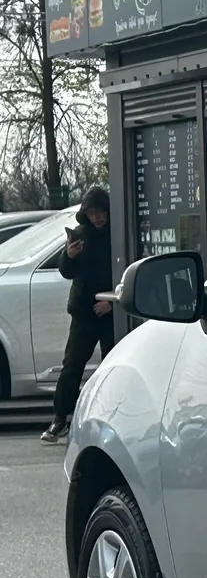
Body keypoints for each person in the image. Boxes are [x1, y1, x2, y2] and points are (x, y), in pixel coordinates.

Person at [41, 187, 116, 445]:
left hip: (110, 308)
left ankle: (110, 415)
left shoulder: (119, 233)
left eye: (101, 212)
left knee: (111, 365)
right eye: (92, 213)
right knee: (72, 365)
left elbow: (127, 268)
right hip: (84, 312)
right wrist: (68, 256)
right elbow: (66, 271)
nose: (97, 218)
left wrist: (113, 303)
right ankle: (60, 418)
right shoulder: (81, 235)